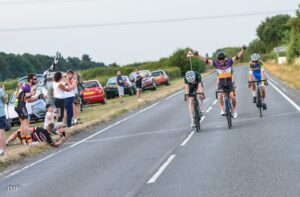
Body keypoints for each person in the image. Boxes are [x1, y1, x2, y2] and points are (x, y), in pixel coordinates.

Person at [190, 45, 246, 118]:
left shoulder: (229, 61)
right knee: (220, 95)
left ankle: (234, 110)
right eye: (220, 59)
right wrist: (197, 55)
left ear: (224, 58)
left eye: (222, 59)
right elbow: (206, 60)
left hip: (229, 82)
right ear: (218, 59)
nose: (221, 60)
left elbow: (237, 56)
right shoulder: (216, 63)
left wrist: (243, 49)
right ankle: (222, 110)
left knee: (232, 97)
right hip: (221, 83)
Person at [14, 74, 47, 145]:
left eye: (36, 79)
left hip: (17, 105)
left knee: (23, 124)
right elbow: (29, 100)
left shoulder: (25, 86)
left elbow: (26, 97)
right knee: (25, 124)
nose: (36, 80)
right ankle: (29, 142)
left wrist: (33, 94)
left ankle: (23, 142)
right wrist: (39, 97)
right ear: (30, 80)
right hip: (21, 106)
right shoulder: (27, 87)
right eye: (34, 79)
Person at [0, 85, 8, 155]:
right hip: (1, 113)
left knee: (3, 133)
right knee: (2, 133)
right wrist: (6, 95)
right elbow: (5, 101)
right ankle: (1, 149)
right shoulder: (0, 90)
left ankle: (5, 151)